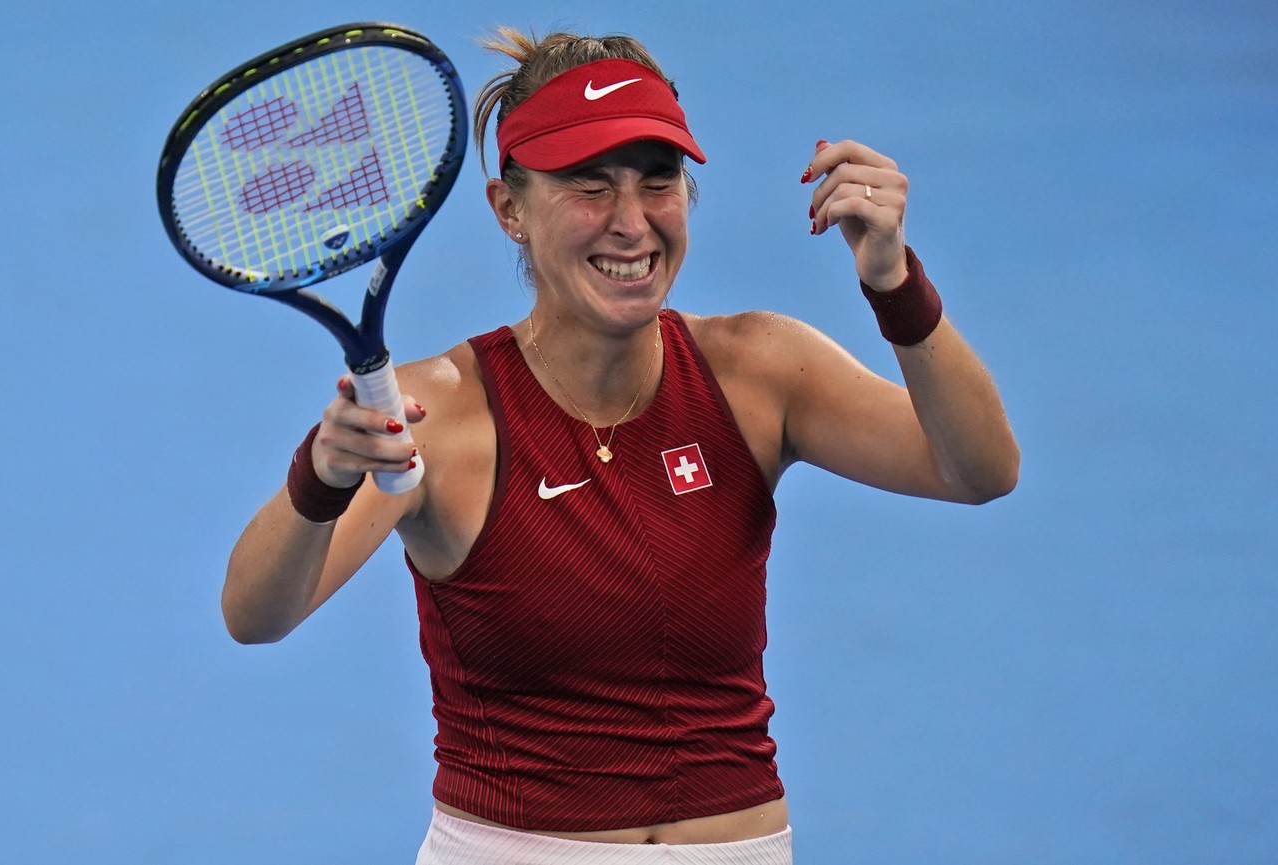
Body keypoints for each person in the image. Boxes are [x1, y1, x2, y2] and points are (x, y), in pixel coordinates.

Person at [222, 26, 1019, 865]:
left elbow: (980, 470)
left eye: (658, 180)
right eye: (589, 186)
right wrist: (323, 474)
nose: (632, 222)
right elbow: (256, 613)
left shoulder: (759, 372)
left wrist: (894, 284)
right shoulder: (441, 416)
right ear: (510, 211)